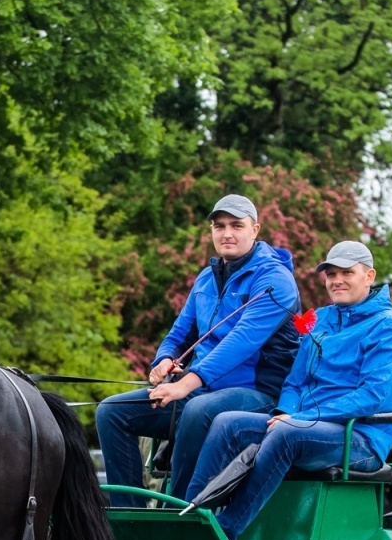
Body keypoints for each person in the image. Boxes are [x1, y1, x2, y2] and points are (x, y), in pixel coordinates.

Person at [185, 240, 392, 540]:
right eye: (330, 274)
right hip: (305, 424)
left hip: (359, 438)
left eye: (347, 273)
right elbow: (293, 382)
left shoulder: (387, 327)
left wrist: (299, 418)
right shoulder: (322, 320)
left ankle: (223, 534)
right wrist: (285, 411)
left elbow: (372, 397)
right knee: (226, 423)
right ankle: (191, 517)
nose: (337, 281)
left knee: (286, 434)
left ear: (369, 276)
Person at [96, 194, 301, 503]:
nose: (227, 233)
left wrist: (187, 383)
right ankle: (129, 521)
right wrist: (164, 360)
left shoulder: (275, 281)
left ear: (255, 230)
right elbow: (180, 332)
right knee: (112, 412)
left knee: (196, 410)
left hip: (259, 394)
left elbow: (241, 342)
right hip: (202, 391)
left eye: (236, 225)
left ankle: (177, 515)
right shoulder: (207, 278)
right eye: (219, 226)